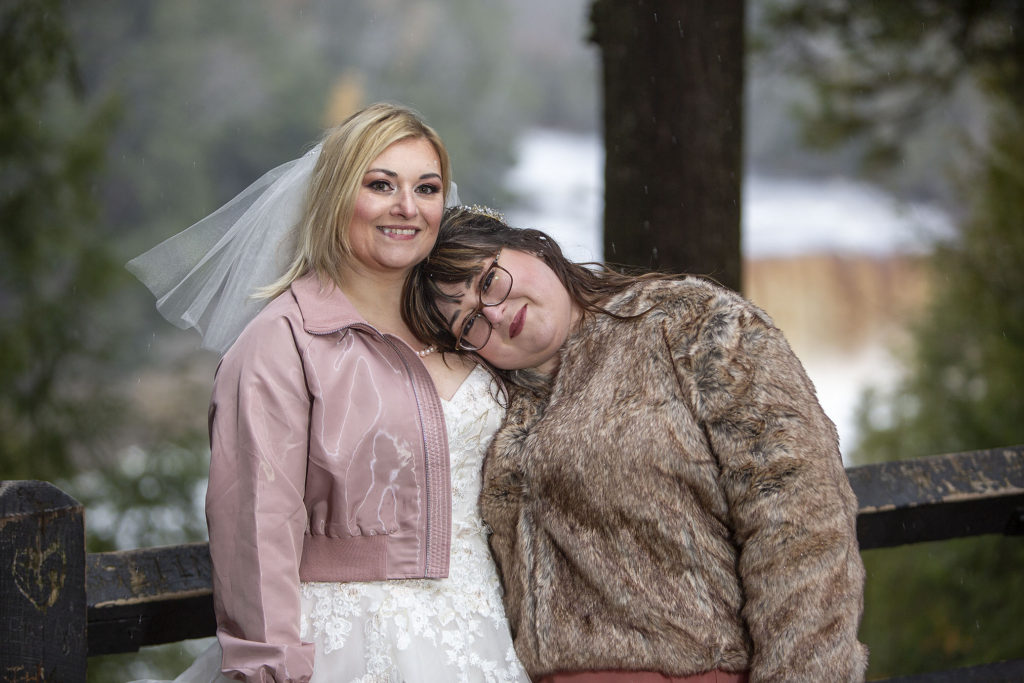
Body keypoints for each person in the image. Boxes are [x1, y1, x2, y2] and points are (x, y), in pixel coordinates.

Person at [128, 105, 528, 683]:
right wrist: (270, 665)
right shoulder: (282, 341)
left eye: (427, 187)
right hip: (354, 643)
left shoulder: (461, 326)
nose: (407, 207)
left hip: (484, 633)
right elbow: (256, 526)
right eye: (381, 185)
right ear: (339, 194)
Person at [403, 207, 870, 683]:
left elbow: (800, 528)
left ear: (529, 246)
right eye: (468, 325)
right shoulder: (489, 409)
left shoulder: (694, 327)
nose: (496, 315)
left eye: (488, 281)